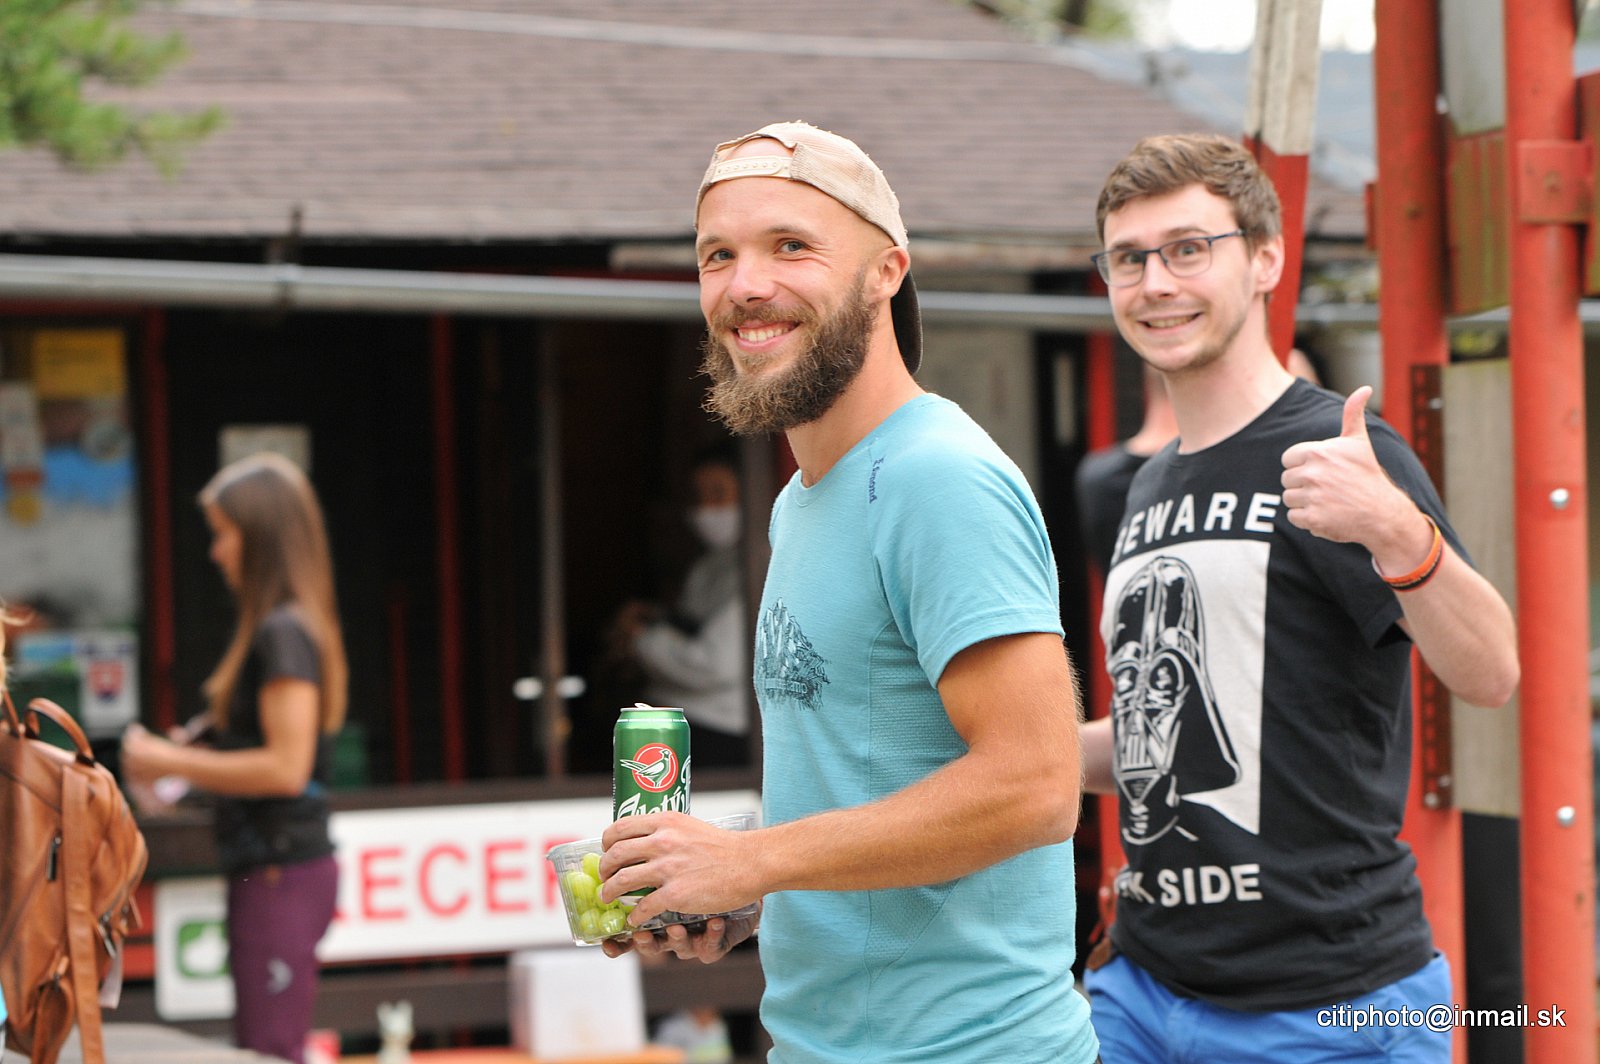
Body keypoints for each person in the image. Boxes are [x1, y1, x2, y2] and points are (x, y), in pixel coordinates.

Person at [595, 121, 1097, 1064]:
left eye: (791, 246)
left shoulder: (937, 477)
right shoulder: (802, 501)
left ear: (885, 273)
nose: (746, 285)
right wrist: (737, 884)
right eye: (717, 255)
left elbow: (1036, 786)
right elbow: (870, 785)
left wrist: (754, 858)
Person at [1078, 132, 1519, 1063]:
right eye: (1129, 258)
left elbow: (1491, 672)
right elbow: (1171, 734)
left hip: (1331, 1006)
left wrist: (1398, 532)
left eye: (1188, 249)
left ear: (1266, 261)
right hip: (1143, 991)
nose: (1155, 283)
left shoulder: (1338, 450)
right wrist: (980, 751)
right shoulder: (1147, 484)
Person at [121, 452, 347, 1064]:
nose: (216, 552)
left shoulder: (283, 632)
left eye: (224, 533)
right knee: (264, 1044)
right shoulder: (286, 627)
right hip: (274, 865)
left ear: (261, 538)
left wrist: (170, 762)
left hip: (281, 866)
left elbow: (286, 768)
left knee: (269, 1050)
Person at [611, 445, 750, 767]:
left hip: (717, 730)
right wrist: (655, 618)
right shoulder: (710, 565)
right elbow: (693, 623)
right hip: (675, 718)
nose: (706, 509)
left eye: (718, 494)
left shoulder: (760, 567)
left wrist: (639, 639)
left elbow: (715, 664)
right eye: (698, 496)